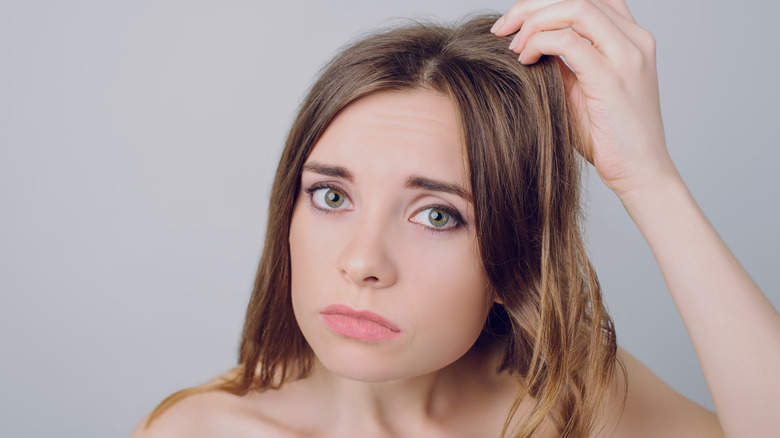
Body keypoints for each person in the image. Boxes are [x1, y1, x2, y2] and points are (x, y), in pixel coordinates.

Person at [131, 1, 780, 437]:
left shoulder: (575, 403)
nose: (361, 262)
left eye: (437, 214)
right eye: (331, 197)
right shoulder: (202, 431)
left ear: (515, 254)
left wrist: (648, 178)